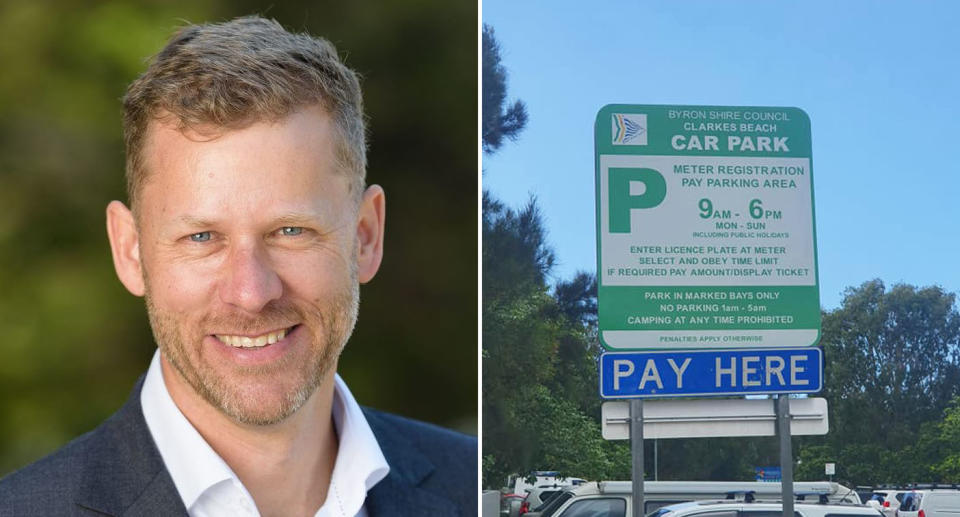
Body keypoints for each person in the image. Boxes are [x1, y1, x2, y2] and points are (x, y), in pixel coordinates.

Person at [0, 16, 476, 516]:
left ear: (365, 237)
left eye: (291, 231)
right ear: (130, 250)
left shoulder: (474, 486)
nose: (251, 292)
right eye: (202, 237)